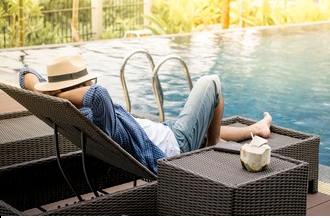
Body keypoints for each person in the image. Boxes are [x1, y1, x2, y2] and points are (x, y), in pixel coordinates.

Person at [19, 54, 272, 174]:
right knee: (211, 82)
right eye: (86, 82)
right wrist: (63, 94)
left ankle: (257, 129)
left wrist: (51, 94)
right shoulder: (94, 112)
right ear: (80, 88)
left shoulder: (69, 110)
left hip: (162, 132)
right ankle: (214, 144)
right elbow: (98, 94)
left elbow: (25, 75)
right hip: (175, 147)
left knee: (197, 122)